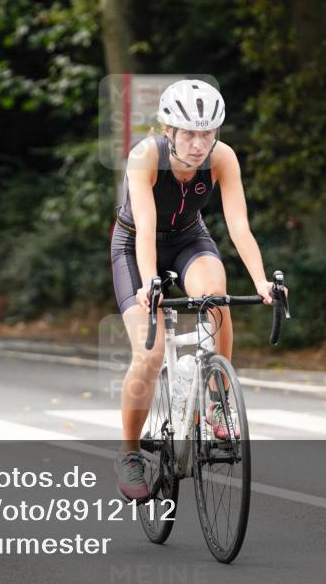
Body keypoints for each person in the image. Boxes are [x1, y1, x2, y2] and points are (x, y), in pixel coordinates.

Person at [110, 79, 282, 499]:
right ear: (168, 130)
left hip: (189, 238)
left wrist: (261, 280)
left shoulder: (223, 158)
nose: (198, 142)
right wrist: (150, 282)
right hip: (136, 246)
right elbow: (146, 228)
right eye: (188, 132)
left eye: (207, 132)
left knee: (217, 299)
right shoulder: (145, 156)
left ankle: (216, 397)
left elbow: (238, 225)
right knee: (148, 354)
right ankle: (130, 453)